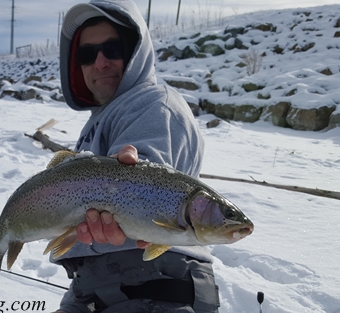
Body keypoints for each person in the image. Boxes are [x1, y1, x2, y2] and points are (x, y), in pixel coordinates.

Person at [52, 0, 220, 312]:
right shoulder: (104, 116)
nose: (100, 62)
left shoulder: (153, 104)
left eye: (112, 49)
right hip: (100, 283)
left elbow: (141, 165)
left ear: (135, 51)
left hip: (154, 281)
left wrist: (127, 170)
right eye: (87, 55)